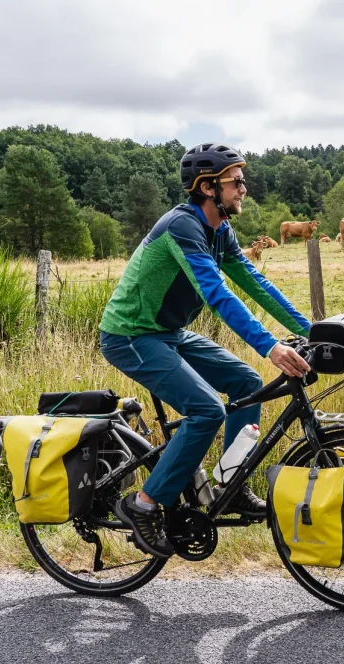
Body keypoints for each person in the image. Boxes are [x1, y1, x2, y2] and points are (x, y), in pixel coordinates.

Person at [98, 143, 313, 558]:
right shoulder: (183, 226)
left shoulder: (221, 231)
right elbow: (217, 296)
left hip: (168, 333)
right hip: (130, 336)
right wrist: (269, 345)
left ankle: (228, 486)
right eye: (236, 181)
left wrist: (311, 328)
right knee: (207, 410)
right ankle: (143, 504)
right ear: (207, 186)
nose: (243, 189)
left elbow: (254, 283)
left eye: (241, 181)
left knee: (246, 382)